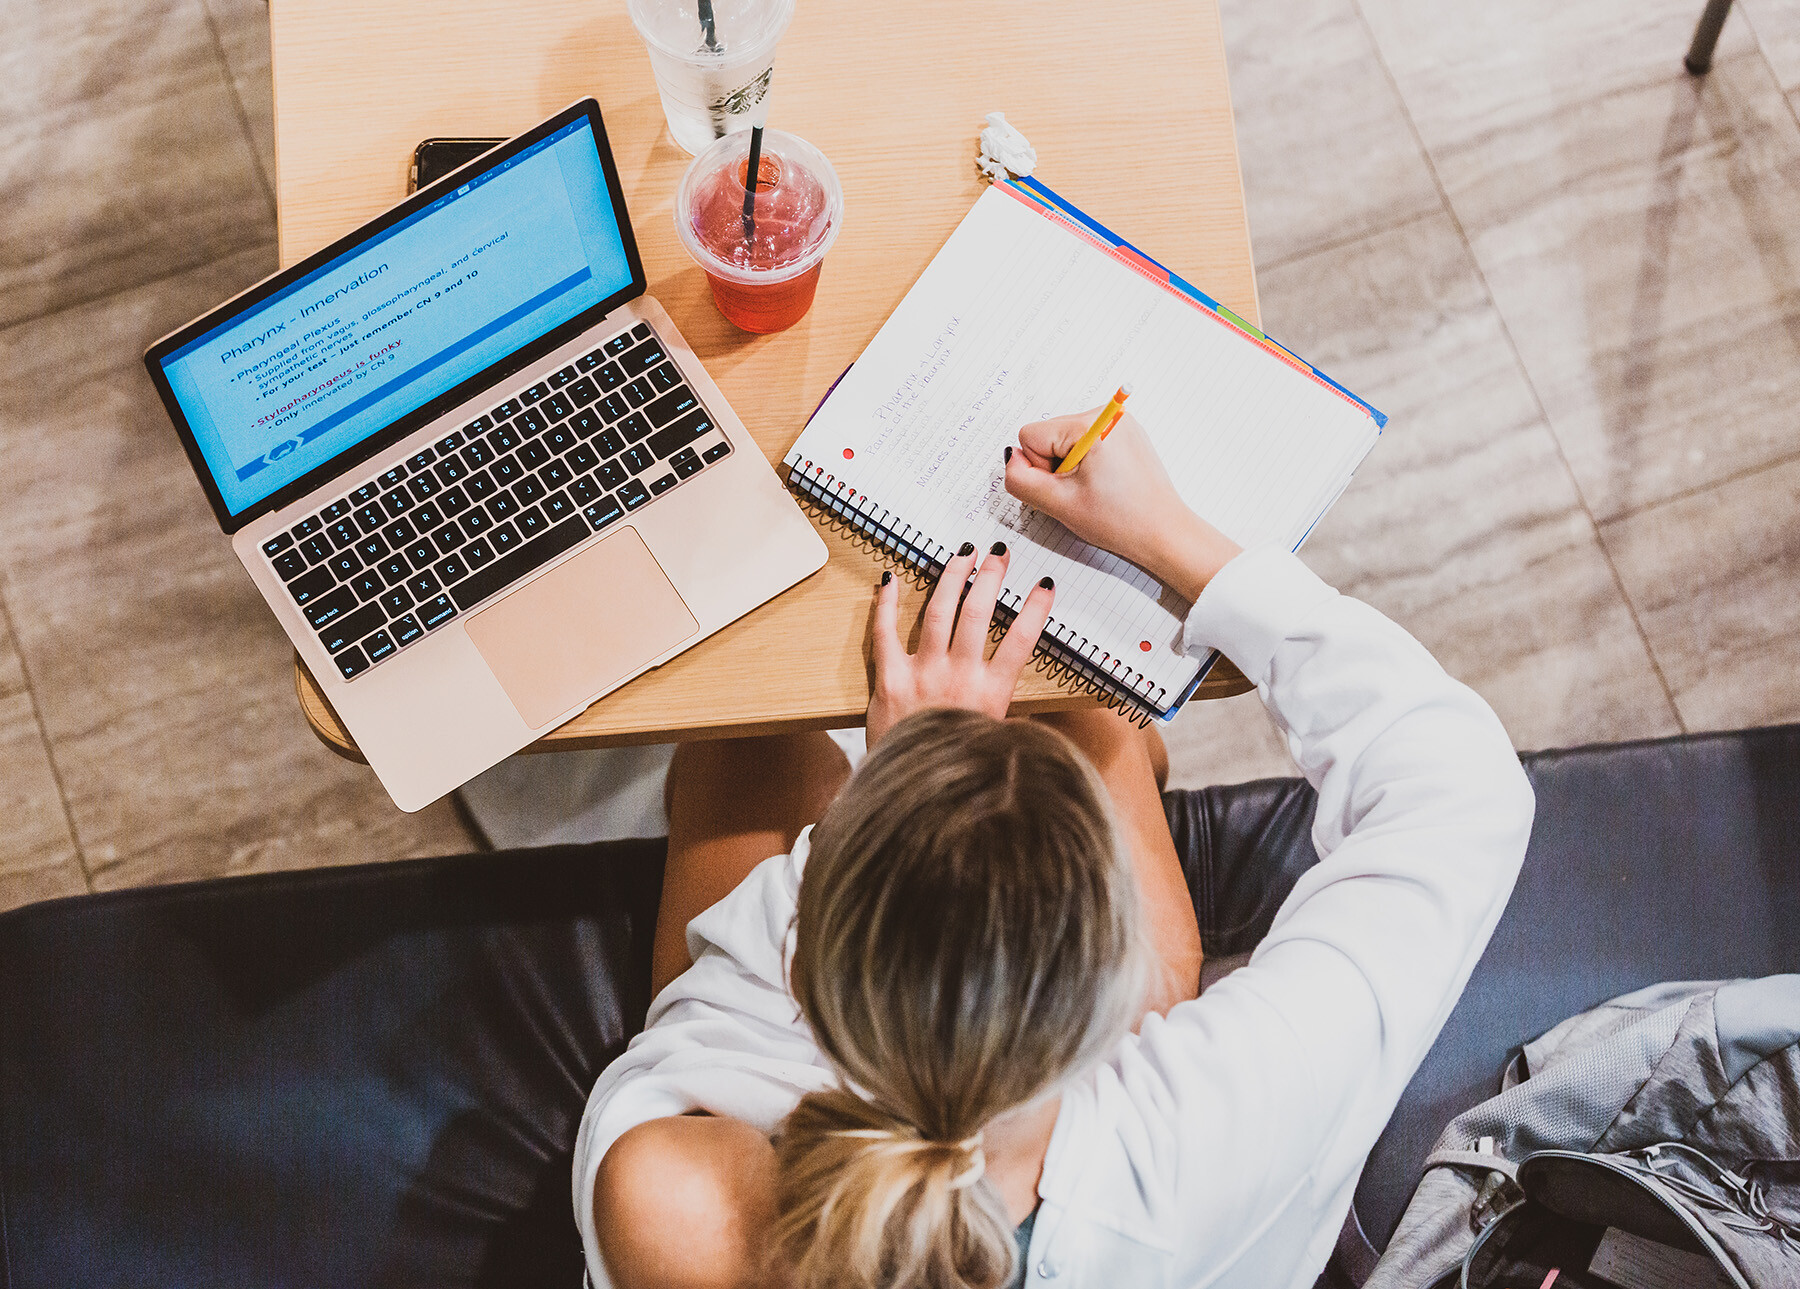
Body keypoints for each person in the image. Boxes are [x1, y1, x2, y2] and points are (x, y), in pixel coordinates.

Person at [571, 408, 1536, 1289]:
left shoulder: (681, 1211)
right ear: (1121, 999)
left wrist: (894, 782)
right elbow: (1466, 793)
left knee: (746, 745)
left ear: (805, 969)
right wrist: (1178, 540)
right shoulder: (1221, 1125)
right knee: (1093, 719)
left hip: (797, 1067)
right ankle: (1107, 743)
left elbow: (677, 1071)